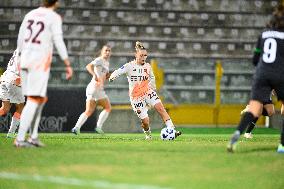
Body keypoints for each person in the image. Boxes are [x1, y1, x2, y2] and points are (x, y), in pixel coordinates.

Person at [14, 0, 73, 147]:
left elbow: (20, 39)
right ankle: (20, 139)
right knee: (34, 100)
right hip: (38, 63)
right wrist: (67, 62)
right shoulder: (53, 17)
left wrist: (19, 59)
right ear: (56, 2)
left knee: (39, 99)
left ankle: (33, 136)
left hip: (25, 60)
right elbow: (58, 40)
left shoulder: (30, 14)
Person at [227, 8, 284, 153]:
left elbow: (255, 60)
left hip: (262, 74)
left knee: (253, 109)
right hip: (279, 74)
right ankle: (282, 145)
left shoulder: (263, 35)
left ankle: (236, 135)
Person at [109, 41, 181, 140]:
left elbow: (152, 78)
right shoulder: (129, 66)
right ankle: (148, 134)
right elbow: (118, 71)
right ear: (136, 55)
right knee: (145, 121)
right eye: (141, 55)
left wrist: (152, 88)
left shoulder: (148, 66)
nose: (144, 57)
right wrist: (112, 77)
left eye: (145, 55)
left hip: (147, 92)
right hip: (136, 97)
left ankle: (171, 130)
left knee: (160, 108)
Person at [71, 45, 112, 135]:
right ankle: (98, 127)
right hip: (95, 87)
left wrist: (111, 75)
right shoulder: (99, 60)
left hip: (93, 88)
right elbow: (88, 66)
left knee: (88, 111)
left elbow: (104, 75)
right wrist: (95, 75)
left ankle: (76, 128)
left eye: (109, 51)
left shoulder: (106, 63)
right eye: (106, 50)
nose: (108, 52)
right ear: (102, 51)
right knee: (108, 107)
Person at [0, 49, 25, 138]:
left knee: (4, 109)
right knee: (20, 107)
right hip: (14, 79)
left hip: (4, 78)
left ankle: (11, 133)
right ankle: (11, 134)